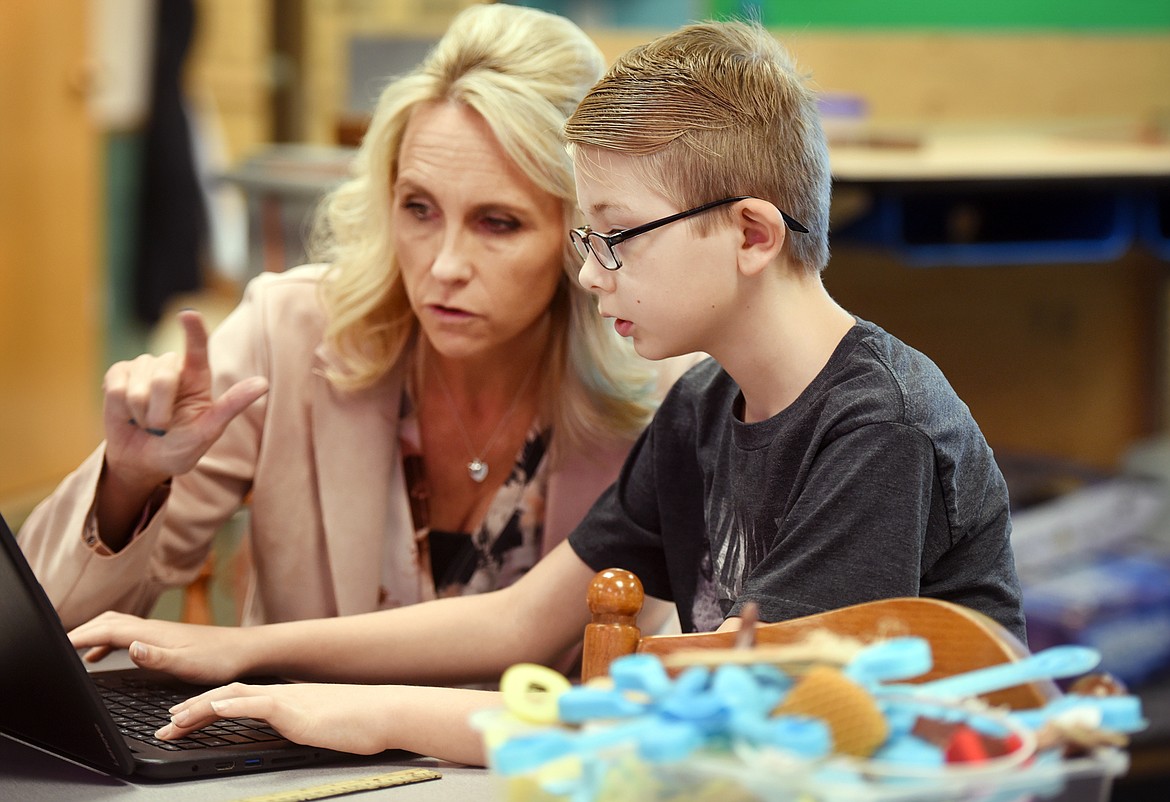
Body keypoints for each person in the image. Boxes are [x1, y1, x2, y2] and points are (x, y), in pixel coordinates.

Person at [68, 19, 1025, 767]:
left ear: (750, 235)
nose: (594, 276)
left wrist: (377, 714)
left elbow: (735, 740)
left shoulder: (875, 430)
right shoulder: (701, 410)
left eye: (614, 237)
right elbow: (523, 619)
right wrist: (246, 654)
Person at [19, 3, 672, 637]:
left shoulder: (658, 384)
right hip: (291, 752)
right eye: (418, 208)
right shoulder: (291, 332)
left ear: (581, 232)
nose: (444, 265)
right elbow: (42, 630)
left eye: (497, 223)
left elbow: (677, 670)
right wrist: (129, 483)